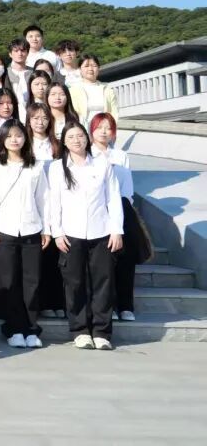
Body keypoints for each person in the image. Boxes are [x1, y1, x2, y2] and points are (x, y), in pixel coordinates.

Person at [47, 122, 124, 350]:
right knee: (74, 283)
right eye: (71, 137)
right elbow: (54, 202)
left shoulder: (102, 164)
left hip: (102, 231)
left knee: (103, 282)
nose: (76, 140)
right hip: (71, 234)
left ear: (87, 138)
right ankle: (79, 330)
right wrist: (57, 232)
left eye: (80, 136)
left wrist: (116, 229)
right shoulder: (57, 168)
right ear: (64, 141)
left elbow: (113, 197)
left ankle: (101, 331)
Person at [0, 119, 48, 348]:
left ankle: (31, 329)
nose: (14, 140)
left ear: (25, 138)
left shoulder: (36, 166)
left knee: (32, 282)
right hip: (5, 230)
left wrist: (47, 229)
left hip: (32, 228)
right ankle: (13, 329)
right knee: (9, 282)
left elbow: (43, 199)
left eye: (19, 135)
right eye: (9, 135)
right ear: (2, 139)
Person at [89, 113, 146, 322]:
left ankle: (125, 306)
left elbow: (127, 190)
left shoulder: (121, 156)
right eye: (99, 127)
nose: (104, 132)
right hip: (96, 210)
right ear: (91, 131)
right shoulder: (87, 154)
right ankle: (108, 306)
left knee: (125, 260)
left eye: (108, 127)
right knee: (103, 263)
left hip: (121, 208)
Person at [69, 54, 119, 127]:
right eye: (86, 66)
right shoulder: (73, 90)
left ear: (98, 68)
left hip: (104, 128)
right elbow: (72, 113)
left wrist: (112, 127)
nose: (90, 69)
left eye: (94, 66)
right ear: (79, 69)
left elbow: (114, 112)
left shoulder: (107, 89)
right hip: (82, 128)